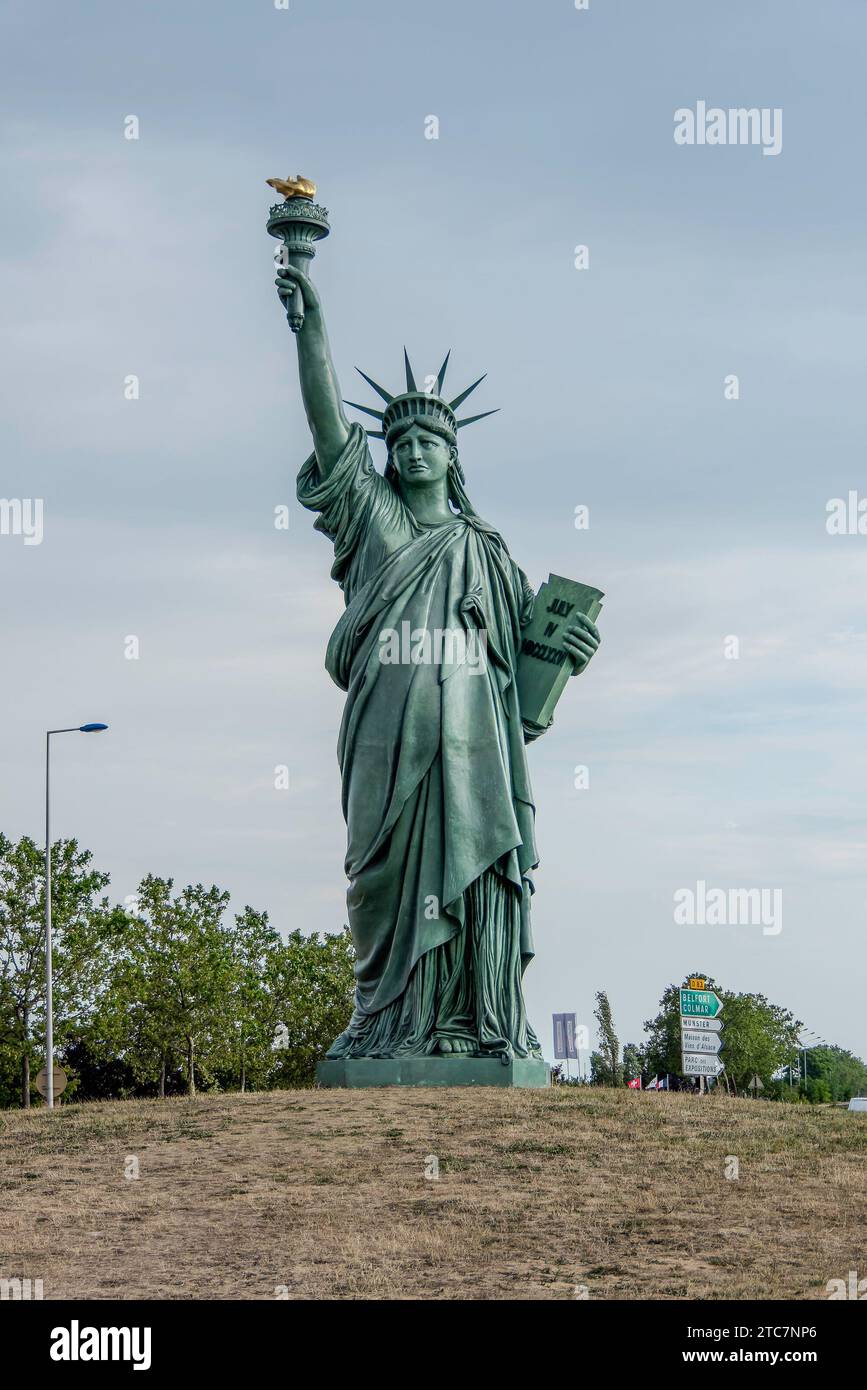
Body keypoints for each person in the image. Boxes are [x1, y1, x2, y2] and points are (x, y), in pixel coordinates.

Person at [276, 262, 600, 1060]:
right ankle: (385, 1021)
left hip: (476, 749)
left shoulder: (484, 549)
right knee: (379, 877)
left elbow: (526, 670)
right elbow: (325, 425)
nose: (415, 450)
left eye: (431, 440)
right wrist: (310, 321)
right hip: (387, 735)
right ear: (385, 454)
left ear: (454, 457)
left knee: (478, 870)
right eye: (401, 440)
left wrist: (571, 653)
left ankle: (473, 1024)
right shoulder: (373, 521)